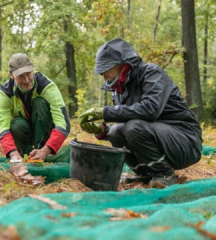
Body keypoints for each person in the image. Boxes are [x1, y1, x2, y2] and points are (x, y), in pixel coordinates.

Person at [79, 38, 202, 188]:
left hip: (185, 142)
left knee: (133, 126)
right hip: (159, 138)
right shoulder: (118, 89)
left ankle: (164, 174)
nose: (104, 76)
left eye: (106, 69)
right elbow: (122, 127)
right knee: (116, 131)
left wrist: (106, 112)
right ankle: (144, 174)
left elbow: (150, 110)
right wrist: (103, 131)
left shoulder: (151, 73)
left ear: (122, 63)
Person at [0, 53, 70, 161]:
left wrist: (46, 149)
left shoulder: (47, 86)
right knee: (16, 124)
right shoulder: (5, 92)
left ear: (33, 69)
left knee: (40, 103)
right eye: (20, 76)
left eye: (28, 74)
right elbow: (3, 128)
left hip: (46, 131)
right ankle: (22, 154)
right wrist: (12, 152)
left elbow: (63, 124)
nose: (26, 80)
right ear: (11, 75)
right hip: (23, 130)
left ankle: (40, 152)